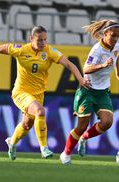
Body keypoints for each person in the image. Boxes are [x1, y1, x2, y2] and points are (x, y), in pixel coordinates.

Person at [0, 26, 90, 160]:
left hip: (38, 94)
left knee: (27, 124)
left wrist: (80, 78)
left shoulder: (49, 51)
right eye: (39, 40)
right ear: (31, 39)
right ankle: (44, 148)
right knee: (40, 111)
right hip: (21, 92)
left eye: (45, 40)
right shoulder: (21, 49)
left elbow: (69, 64)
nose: (43, 43)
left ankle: (12, 142)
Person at [60, 19, 119, 164]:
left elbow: (117, 58)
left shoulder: (117, 45)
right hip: (88, 90)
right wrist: (103, 65)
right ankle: (65, 154)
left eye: (118, 36)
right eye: (113, 35)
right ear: (105, 33)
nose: (115, 39)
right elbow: (86, 69)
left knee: (107, 122)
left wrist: (117, 72)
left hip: (103, 91)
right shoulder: (97, 50)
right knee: (81, 126)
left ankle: (85, 138)